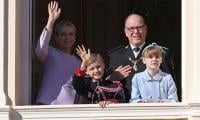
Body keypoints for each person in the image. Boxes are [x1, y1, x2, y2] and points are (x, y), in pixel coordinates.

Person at [108, 12, 176, 102]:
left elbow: (171, 86)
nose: (136, 32)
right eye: (131, 28)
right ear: (125, 32)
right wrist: (112, 78)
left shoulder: (160, 53)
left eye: (139, 27)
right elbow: (103, 88)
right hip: (122, 110)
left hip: (152, 109)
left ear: (146, 29)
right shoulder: (115, 56)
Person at [35, 1, 80, 105]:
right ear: (56, 38)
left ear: (75, 37)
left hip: (71, 108)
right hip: (47, 104)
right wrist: (51, 20)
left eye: (71, 34)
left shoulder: (78, 62)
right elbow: (40, 49)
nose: (67, 38)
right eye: (63, 34)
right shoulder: (49, 52)